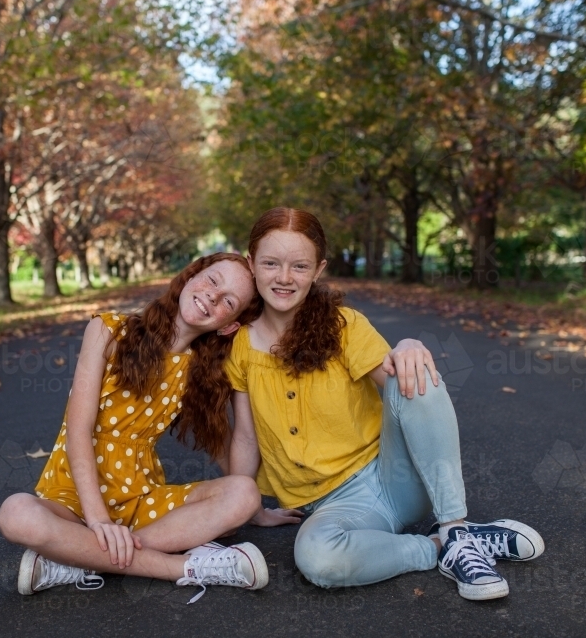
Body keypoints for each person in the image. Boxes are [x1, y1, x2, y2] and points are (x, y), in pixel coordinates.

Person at [228, 208, 544, 601]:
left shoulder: (343, 326)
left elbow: (402, 390)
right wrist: (250, 508)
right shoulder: (240, 347)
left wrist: (409, 347)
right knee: (318, 560)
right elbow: (245, 436)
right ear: (251, 264)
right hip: (339, 511)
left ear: (318, 269)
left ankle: (456, 529)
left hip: (396, 478)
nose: (285, 277)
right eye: (271, 263)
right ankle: (438, 549)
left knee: (417, 373)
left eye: (300, 265)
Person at [0, 253, 270, 603]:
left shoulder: (199, 373)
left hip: (140, 504)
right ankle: (186, 568)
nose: (212, 297)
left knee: (244, 493)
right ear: (192, 275)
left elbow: (219, 442)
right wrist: (97, 521)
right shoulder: (108, 331)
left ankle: (78, 558)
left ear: (229, 325)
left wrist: (256, 511)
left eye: (228, 301)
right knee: (16, 514)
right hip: (73, 499)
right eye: (212, 280)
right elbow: (78, 430)